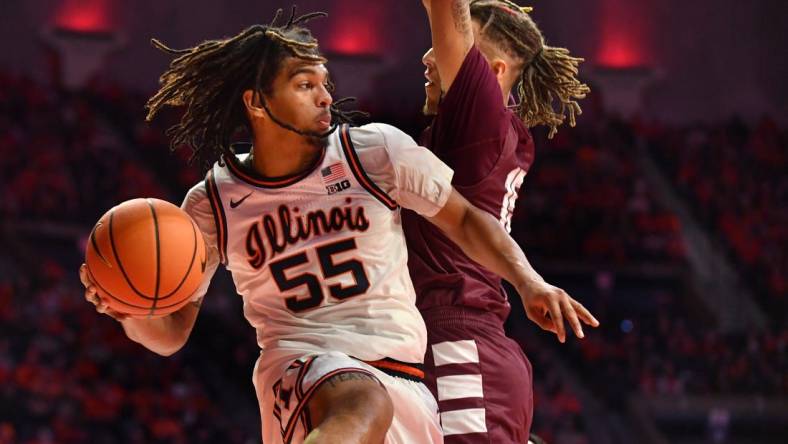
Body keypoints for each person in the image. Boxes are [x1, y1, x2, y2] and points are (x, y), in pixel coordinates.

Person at [79, 7, 595, 444]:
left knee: (375, 402)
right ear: (257, 102)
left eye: (325, 83)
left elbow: (467, 220)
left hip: (410, 379)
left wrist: (529, 282)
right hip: (308, 372)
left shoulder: (373, 151)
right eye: (306, 85)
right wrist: (126, 309)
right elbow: (170, 331)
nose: (327, 97)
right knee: (360, 400)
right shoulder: (213, 201)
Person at [403, 1, 593, 442]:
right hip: (446, 340)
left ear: (493, 70)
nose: (429, 57)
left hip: (460, 343)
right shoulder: (480, 132)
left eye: (449, 47)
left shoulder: (480, 122)